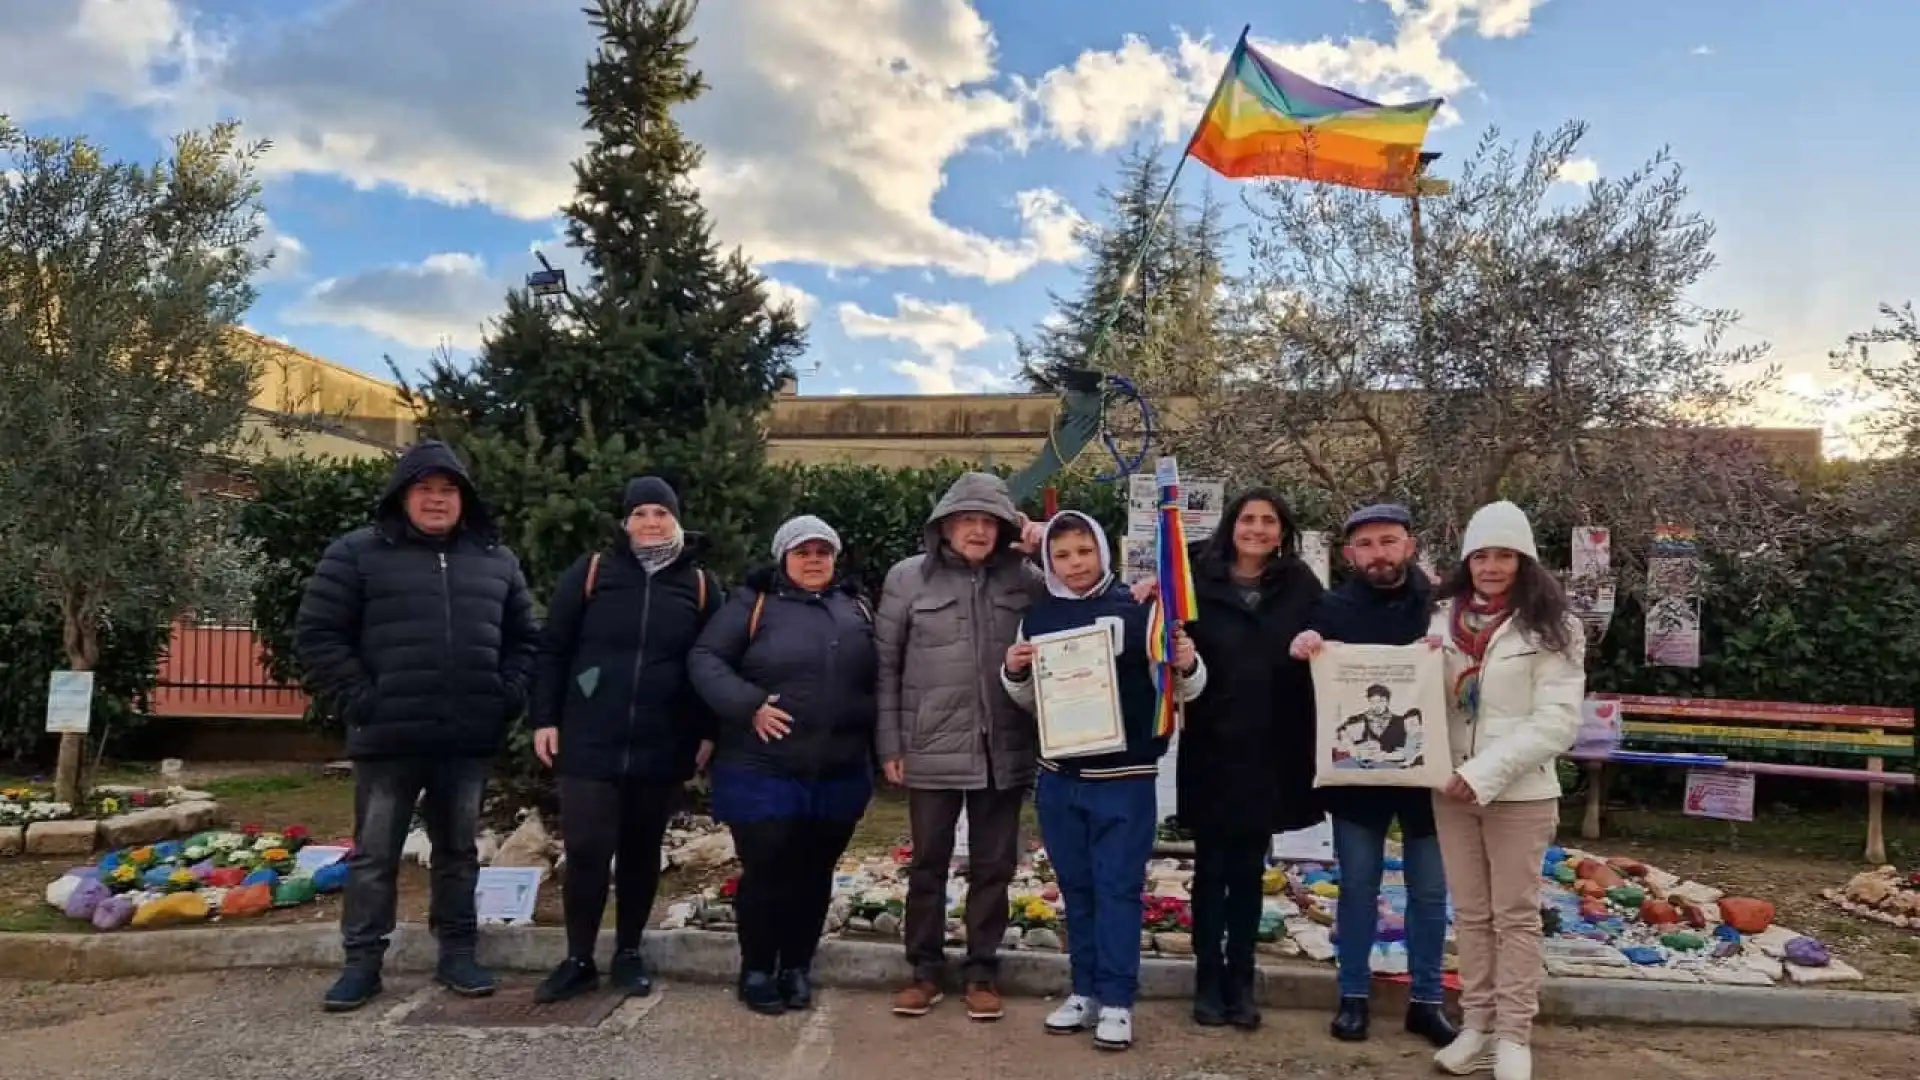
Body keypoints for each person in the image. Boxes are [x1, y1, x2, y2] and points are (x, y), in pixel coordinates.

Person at [294, 439, 539, 1013]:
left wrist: (504, 695)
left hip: (464, 739)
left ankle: (457, 953)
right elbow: (318, 634)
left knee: (458, 852)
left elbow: (526, 639)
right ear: (402, 496)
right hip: (388, 738)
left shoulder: (495, 559)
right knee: (374, 856)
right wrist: (362, 698)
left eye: (447, 490)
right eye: (424, 489)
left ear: (463, 499)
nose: (436, 500)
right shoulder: (356, 553)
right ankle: (362, 964)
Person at [1001, 511, 1206, 1052]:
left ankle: (1117, 1000)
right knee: (1077, 889)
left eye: (1084, 552)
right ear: (1048, 560)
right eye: (1063, 555)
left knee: (1118, 889)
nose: (1074, 564)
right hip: (1060, 779)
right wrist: (1015, 670)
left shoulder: (1142, 609)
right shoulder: (1037, 618)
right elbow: (1026, 702)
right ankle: (1085, 990)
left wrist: (1187, 662)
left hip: (1125, 779)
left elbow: (1186, 690)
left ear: (1102, 552)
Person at [528, 476, 722, 1005]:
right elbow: (554, 648)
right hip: (590, 738)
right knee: (588, 850)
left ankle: (630, 953)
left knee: (640, 853)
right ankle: (578, 959)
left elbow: (713, 661)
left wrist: (706, 730)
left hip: (662, 742)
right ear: (625, 523)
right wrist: (545, 718)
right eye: (639, 513)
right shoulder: (591, 573)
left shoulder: (701, 584)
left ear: (676, 520)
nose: (650, 522)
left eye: (660, 512)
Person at [687, 515, 879, 1015]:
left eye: (822, 551)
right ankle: (756, 968)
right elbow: (705, 659)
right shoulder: (751, 605)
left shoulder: (856, 606)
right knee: (767, 869)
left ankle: (796, 966)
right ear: (783, 558)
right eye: (802, 552)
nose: (814, 560)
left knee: (815, 872)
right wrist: (748, 704)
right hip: (761, 768)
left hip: (838, 769)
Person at [873, 471, 1045, 1022]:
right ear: (944, 526)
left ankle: (981, 971)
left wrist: (1045, 541)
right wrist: (890, 742)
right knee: (928, 863)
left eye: (988, 521)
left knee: (994, 866)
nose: (977, 530)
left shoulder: (1028, 579)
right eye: (966, 520)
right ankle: (923, 970)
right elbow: (886, 666)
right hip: (929, 745)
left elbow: (1081, 597)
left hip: (1006, 748)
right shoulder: (907, 579)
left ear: (1003, 528)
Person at [1289, 504, 1456, 1048]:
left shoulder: (1442, 608)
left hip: (1427, 775)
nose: (1378, 553)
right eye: (1366, 544)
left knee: (1430, 893)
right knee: (1357, 887)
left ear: (1410, 545)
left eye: (1389, 541)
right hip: (1357, 780)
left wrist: (1446, 654)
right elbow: (1305, 679)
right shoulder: (1331, 608)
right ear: (1349, 554)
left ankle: (1427, 1002)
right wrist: (1304, 647)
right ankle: (1353, 996)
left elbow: (1470, 677)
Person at [1427, 501, 1584, 1080]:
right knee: (1470, 914)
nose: (1491, 567)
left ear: (1525, 561)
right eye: (1481, 555)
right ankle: (1476, 1026)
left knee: (1514, 916)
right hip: (1449, 789)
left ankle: (1515, 1034)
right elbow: (1422, 697)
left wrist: (1483, 774)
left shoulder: (1554, 628)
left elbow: (1556, 722)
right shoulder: (1441, 619)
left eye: (1505, 555)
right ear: (1467, 560)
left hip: (1518, 794)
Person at [1177, 488, 1323, 1031]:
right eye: (1248, 519)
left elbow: (1329, 631)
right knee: (1210, 870)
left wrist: (1315, 639)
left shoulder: (1301, 585)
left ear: (1282, 531)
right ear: (1230, 525)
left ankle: (1241, 977)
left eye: (1269, 521)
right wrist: (1147, 592)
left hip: (1271, 748)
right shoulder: (1196, 574)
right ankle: (1206, 977)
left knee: (1248, 870)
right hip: (1212, 745)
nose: (1257, 529)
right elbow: (1162, 622)